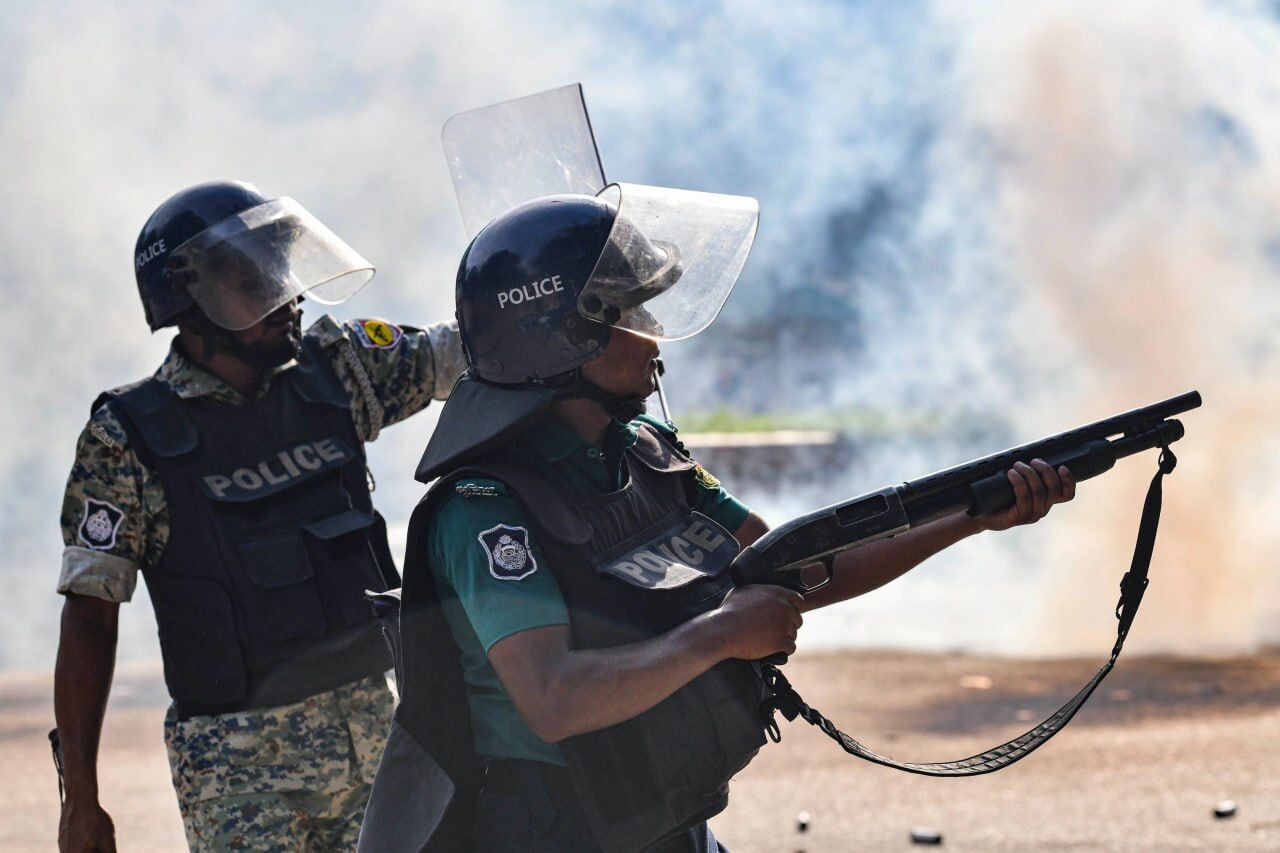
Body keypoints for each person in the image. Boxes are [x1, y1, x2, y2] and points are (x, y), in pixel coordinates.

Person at [360, 187, 1075, 852]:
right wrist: (723, 633)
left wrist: (972, 514)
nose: (655, 334)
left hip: (656, 809)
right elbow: (553, 698)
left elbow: (794, 567)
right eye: (632, 314)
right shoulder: (486, 509)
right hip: (555, 827)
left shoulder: (643, 454)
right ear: (569, 340)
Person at [54, 180, 466, 852]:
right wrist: (83, 799)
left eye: (282, 267)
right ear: (190, 301)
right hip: (240, 776)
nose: (286, 293)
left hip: (379, 740)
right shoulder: (127, 438)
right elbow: (90, 618)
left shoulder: (340, 367)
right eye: (254, 276)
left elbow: (463, 355)